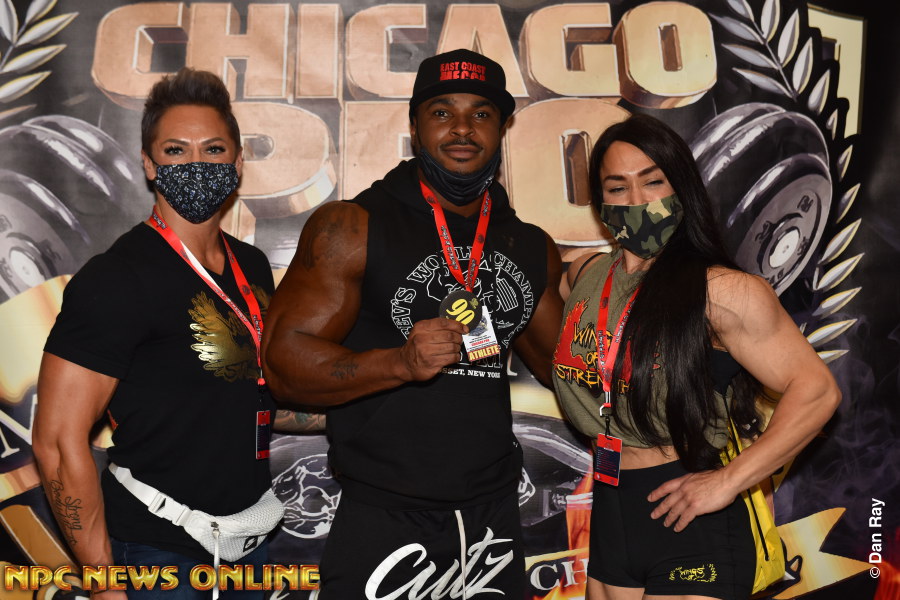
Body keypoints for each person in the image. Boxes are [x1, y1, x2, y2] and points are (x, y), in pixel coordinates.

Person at [261, 48, 563, 598]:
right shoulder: (353, 226)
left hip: (492, 514)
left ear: (501, 128)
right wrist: (399, 363)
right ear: (415, 126)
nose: (462, 129)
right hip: (385, 512)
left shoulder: (528, 245)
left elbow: (565, 370)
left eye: (481, 114)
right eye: (442, 113)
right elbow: (283, 364)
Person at [32, 68, 317, 599]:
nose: (196, 164)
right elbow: (56, 441)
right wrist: (103, 584)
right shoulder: (117, 278)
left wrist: (379, 396)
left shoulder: (252, 265)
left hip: (248, 546)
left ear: (237, 163)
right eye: (175, 151)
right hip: (158, 555)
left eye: (213, 150)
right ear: (149, 163)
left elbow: (249, 395)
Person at [552, 114, 841, 600]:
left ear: (681, 186)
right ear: (600, 201)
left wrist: (728, 482)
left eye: (653, 181)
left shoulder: (722, 290)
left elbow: (818, 391)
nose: (637, 200)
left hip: (689, 512)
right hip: (612, 508)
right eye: (617, 187)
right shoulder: (586, 275)